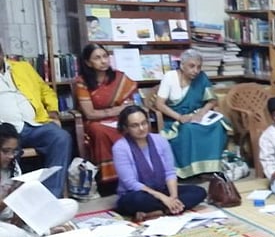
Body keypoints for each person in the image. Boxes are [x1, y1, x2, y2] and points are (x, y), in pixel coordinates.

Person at [0, 43, 71, 197]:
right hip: (4, 131)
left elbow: (46, 90)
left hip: (35, 124)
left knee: (61, 137)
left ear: (2, 53)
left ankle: (48, 197)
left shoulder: (22, 67)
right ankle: (11, 202)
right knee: (6, 150)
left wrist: (52, 112)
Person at [112, 106, 206, 221]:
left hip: (161, 188)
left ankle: (158, 212)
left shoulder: (160, 140)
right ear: (125, 128)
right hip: (136, 194)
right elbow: (130, 183)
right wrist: (163, 198)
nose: (141, 128)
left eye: (144, 123)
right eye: (135, 125)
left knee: (198, 192)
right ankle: (168, 208)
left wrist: (173, 197)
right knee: (137, 200)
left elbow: (170, 172)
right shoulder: (120, 148)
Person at [0, 123, 78, 237]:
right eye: (5, 151)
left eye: (14, 151)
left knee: (70, 205)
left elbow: (20, 200)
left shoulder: (12, 165)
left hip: (14, 220)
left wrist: (20, 212)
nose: (11, 156)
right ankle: (38, 235)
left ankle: (29, 234)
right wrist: (9, 196)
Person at [155, 49, 228, 178]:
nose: (196, 70)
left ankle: (210, 168)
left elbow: (212, 101)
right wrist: (180, 117)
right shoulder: (170, 77)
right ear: (182, 65)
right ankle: (190, 171)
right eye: (192, 66)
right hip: (174, 118)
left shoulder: (202, 77)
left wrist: (201, 112)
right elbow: (159, 104)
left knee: (217, 126)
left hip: (197, 115)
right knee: (189, 129)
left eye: (199, 67)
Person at [73, 43, 138, 185]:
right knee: (99, 130)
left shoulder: (120, 78)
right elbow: (89, 114)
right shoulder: (82, 82)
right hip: (95, 123)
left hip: (120, 119)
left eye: (105, 56)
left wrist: (119, 112)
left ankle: (135, 174)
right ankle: (110, 180)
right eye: (97, 58)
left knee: (134, 126)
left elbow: (130, 105)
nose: (103, 61)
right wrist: (115, 110)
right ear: (88, 63)